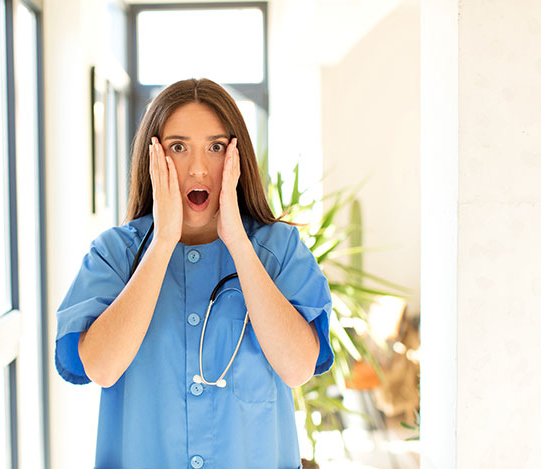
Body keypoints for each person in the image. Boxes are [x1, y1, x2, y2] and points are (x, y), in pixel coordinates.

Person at [55, 78, 334, 469]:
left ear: (238, 157)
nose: (199, 168)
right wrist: (163, 240)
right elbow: (100, 367)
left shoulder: (280, 251)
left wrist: (238, 241)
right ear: (153, 157)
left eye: (216, 147)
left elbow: (298, 367)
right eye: (178, 147)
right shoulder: (116, 255)